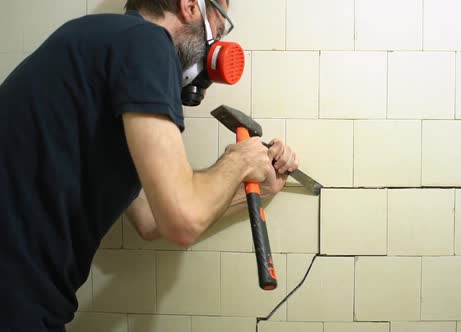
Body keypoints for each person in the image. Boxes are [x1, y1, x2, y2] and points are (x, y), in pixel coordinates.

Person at [0, 0, 298, 330]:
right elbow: (183, 220)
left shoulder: (101, 42)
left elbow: (151, 218)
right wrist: (239, 160)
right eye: (219, 21)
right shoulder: (146, 43)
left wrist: (262, 189)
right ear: (189, 6)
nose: (219, 37)